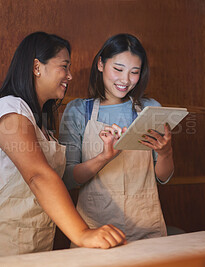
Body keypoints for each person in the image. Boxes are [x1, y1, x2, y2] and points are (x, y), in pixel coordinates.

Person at [0, 32, 126, 260]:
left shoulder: (41, 122)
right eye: (64, 66)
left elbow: (57, 181)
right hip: (1, 248)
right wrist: (82, 233)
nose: (70, 76)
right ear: (36, 67)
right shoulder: (10, 109)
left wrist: (103, 157)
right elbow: (38, 176)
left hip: (38, 244)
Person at [59, 33, 174, 243]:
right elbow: (67, 178)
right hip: (95, 229)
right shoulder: (77, 111)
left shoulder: (150, 109)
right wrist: (103, 157)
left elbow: (163, 177)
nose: (125, 80)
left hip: (146, 228)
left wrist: (165, 153)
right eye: (118, 69)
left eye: (134, 72)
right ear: (101, 64)